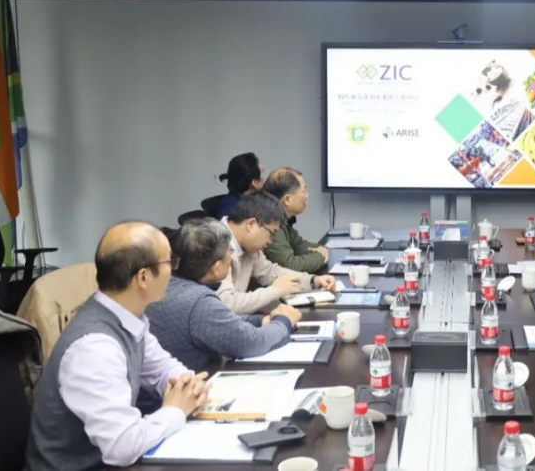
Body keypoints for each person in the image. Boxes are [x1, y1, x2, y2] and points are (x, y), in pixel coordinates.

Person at [26, 222, 210, 470]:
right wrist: (175, 410)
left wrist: (189, 386)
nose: (173, 271)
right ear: (143, 277)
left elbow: (162, 368)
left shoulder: (128, 318)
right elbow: (122, 447)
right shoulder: (94, 349)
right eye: (170, 262)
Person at [147, 218, 302, 371]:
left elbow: (222, 321)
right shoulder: (200, 302)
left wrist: (261, 320)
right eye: (230, 251)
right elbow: (252, 343)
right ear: (216, 268)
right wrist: (284, 321)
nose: (232, 255)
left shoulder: (169, 284)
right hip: (197, 380)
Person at [217, 192, 335, 314]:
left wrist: (313, 280)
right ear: (251, 224)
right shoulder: (214, 243)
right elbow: (227, 304)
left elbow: (270, 271)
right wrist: (275, 291)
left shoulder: (248, 247)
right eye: (271, 233)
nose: (270, 241)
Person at [263, 168, 330, 273]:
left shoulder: (282, 221)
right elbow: (291, 266)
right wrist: (321, 256)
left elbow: (299, 245)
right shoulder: (270, 224)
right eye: (304, 191)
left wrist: (322, 249)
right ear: (287, 200)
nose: (307, 195)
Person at [214, 152, 264, 219]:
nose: (264, 178)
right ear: (255, 183)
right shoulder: (240, 212)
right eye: (262, 173)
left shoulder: (232, 202)